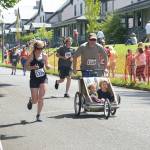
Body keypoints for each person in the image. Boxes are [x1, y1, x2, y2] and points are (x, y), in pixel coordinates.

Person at [26, 40, 51, 121]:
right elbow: (26, 66)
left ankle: (38, 115)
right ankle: (31, 100)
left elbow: (47, 64)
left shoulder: (44, 56)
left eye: (42, 48)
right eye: (38, 48)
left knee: (41, 97)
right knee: (35, 101)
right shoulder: (31, 56)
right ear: (35, 48)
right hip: (33, 79)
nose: (40, 50)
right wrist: (33, 67)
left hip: (43, 78)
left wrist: (48, 66)